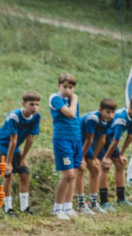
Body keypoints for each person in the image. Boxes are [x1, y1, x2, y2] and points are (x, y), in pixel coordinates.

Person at [0, 90, 40, 215]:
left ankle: (25, 206)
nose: (35, 107)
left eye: (37, 104)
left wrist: (23, 158)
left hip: (15, 147)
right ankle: (8, 207)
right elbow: (13, 140)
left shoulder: (36, 116)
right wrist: (8, 163)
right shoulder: (14, 116)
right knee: (9, 173)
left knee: (25, 172)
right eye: (31, 104)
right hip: (1, 145)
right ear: (24, 104)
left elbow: (30, 139)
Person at [100, 94, 132, 209]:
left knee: (120, 164)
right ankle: (103, 201)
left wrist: (121, 154)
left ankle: (121, 199)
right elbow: (116, 139)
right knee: (105, 166)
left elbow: (131, 136)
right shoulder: (121, 118)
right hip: (102, 138)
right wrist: (106, 157)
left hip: (111, 140)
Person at [50, 73, 82, 220]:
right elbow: (70, 114)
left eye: (71, 88)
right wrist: (74, 99)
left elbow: (76, 119)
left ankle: (68, 206)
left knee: (74, 174)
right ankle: (57, 208)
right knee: (68, 174)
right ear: (59, 86)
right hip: (62, 139)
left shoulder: (73, 100)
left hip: (75, 139)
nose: (68, 90)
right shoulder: (55, 98)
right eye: (65, 87)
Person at [78, 98, 117, 214]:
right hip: (78, 140)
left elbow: (102, 139)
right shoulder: (93, 119)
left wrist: (95, 158)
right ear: (100, 110)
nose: (111, 115)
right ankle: (81, 204)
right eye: (108, 112)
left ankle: (93, 203)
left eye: (113, 112)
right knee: (81, 168)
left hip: (87, 142)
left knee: (95, 167)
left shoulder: (109, 120)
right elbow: (89, 140)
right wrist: (80, 158)